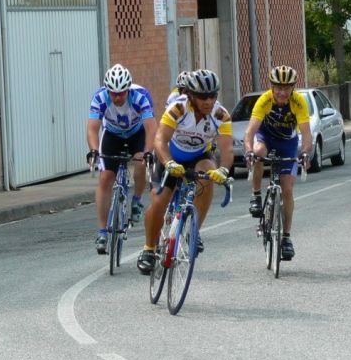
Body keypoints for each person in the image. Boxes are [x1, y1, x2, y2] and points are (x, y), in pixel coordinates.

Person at [137, 69, 233, 274]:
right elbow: (160, 140)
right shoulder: (178, 109)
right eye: (202, 96)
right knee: (159, 200)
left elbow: (227, 149)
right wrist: (169, 163)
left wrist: (224, 169)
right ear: (191, 95)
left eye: (212, 96)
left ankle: (194, 230)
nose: (208, 101)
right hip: (169, 155)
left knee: (208, 171)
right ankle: (149, 248)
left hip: (198, 157)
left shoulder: (221, 114)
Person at [86, 64, 157, 255]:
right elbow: (92, 128)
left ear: (128, 89)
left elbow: (151, 128)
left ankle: (136, 201)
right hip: (112, 135)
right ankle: (102, 232)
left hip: (136, 133)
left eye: (121, 93)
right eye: (113, 93)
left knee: (141, 161)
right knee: (105, 179)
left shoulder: (141, 96)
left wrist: (148, 151)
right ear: (107, 90)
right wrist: (93, 150)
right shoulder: (100, 98)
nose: (117, 97)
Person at [243, 65, 311, 261]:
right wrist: (248, 150)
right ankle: (256, 195)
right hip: (265, 137)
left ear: (293, 88)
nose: (282, 92)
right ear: (272, 87)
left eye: (287, 88)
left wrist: (305, 153)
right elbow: (249, 132)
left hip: (287, 143)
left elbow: (306, 135)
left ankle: (286, 238)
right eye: (278, 88)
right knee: (258, 152)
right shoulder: (264, 100)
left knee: (287, 189)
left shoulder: (298, 102)